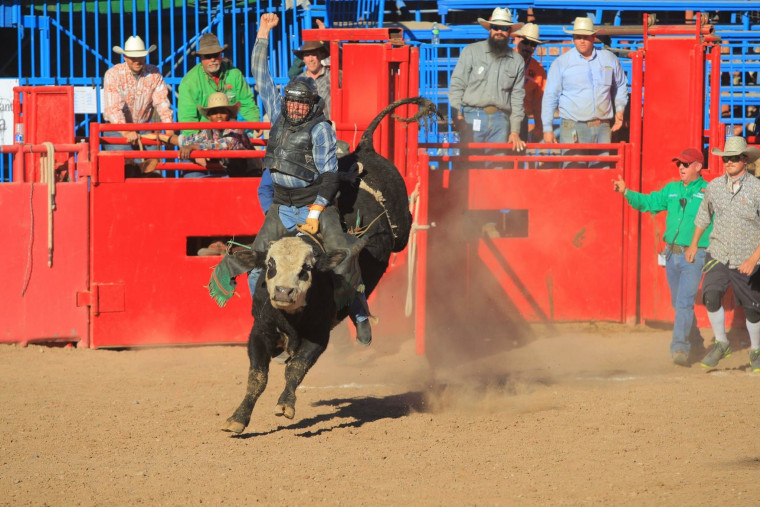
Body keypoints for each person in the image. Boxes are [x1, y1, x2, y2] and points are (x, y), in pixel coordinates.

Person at [252, 12, 372, 346]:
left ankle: (360, 311)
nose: (296, 108)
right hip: (281, 205)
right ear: (286, 102)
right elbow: (260, 75)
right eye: (292, 102)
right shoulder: (280, 113)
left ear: (312, 105)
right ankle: (265, 318)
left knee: (343, 256)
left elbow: (330, 174)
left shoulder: (321, 129)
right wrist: (263, 33)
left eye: (302, 104)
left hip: (312, 204)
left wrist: (318, 211)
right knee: (255, 260)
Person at [613, 148, 711, 366]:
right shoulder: (672, 189)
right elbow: (649, 202)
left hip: (694, 254)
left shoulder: (708, 191)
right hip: (671, 253)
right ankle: (695, 343)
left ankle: (679, 348)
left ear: (698, 166)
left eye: (686, 164)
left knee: (684, 303)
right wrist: (626, 192)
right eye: (679, 164)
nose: (681, 168)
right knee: (679, 304)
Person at [686, 136, 760, 372]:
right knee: (711, 295)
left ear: (744, 160)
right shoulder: (715, 186)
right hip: (718, 252)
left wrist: (753, 258)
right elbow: (703, 216)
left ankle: (756, 349)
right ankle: (722, 343)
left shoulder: (758, 189)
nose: (727, 162)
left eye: (732, 158)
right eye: (725, 158)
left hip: (747, 256)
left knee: (752, 308)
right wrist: (693, 243)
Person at [541, 17, 628, 168]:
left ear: (593, 37)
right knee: (574, 173)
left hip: (602, 126)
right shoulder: (562, 63)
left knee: (601, 172)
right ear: (573, 38)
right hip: (573, 126)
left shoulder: (608, 59)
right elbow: (550, 96)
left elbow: (620, 85)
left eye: (586, 37)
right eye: (578, 37)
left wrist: (619, 110)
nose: (582, 41)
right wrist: (547, 128)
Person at [448, 7, 527, 163]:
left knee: (497, 168)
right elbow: (457, 84)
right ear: (490, 28)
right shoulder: (471, 52)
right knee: (470, 166)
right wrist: (457, 115)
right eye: (496, 27)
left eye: (504, 28)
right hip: (472, 116)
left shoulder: (517, 61)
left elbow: (518, 98)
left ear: (510, 31)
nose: (499, 31)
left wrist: (515, 131)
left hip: (501, 120)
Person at [102, 35, 176, 175]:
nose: (137, 61)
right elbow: (113, 109)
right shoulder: (113, 74)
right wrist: (126, 131)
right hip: (117, 130)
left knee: (154, 168)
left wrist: (169, 128)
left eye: (140, 56)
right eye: (132, 57)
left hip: (143, 128)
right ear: (124, 57)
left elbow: (162, 102)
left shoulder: (154, 73)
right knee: (128, 168)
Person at [177, 32, 260, 137]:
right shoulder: (189, 82)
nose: (213, 59)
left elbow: (246, 103)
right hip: (205, 136)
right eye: (208, 56)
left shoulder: (234, 74)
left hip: (234, 135)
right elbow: (187, 118)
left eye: (216, 55)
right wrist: (197, 143)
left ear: (221, 55)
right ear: (201, 58)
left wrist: (254, 122)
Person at [511, 23, 546, 143]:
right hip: (500, 118)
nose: (528, 47)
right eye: (525, 42)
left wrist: (539, 126)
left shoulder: (538, 70)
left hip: (521, 119)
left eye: (533, 44)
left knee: (518, 158)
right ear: (516, 39)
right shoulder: (502, 59)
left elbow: (539, 102)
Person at [292, 40, 332, 120]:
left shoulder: (332, 77)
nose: (311, 59)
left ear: (321, 56)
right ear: (303, 59)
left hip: (328, 127)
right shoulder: (298, 82)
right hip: (306, 129)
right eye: (307, 55)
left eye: (314, 54)